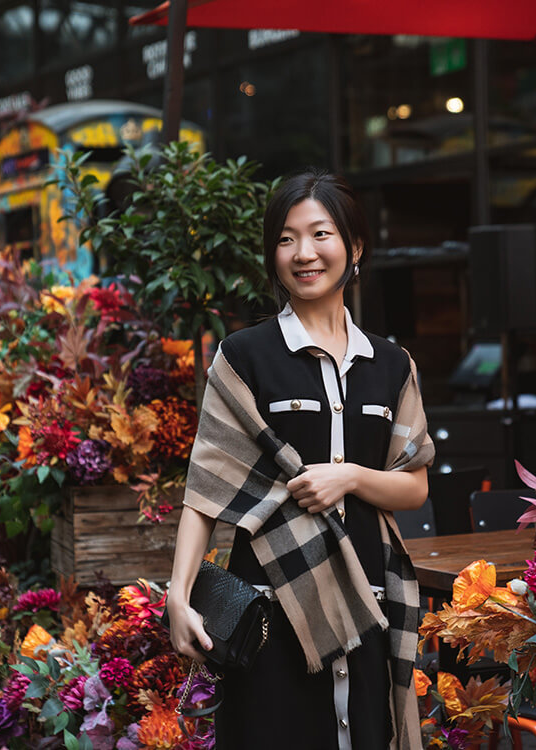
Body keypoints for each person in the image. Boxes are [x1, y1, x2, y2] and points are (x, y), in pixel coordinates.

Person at [166, 169, 435, 750]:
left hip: (368, 598)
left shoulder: (392, 365)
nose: (303, 253)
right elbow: (205, 492)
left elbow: (415, 487)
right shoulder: (244, 357)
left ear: (354, 247)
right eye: (286, 239)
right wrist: (177, 595)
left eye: (320, 235)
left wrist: (352, 477)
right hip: (270, 604)